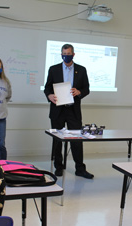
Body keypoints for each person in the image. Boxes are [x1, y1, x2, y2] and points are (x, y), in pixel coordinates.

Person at [44, 44, 93, 179]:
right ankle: (58, 167)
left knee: (77, 139)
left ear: (73, 54)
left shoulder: (81, 70)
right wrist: (49, 96)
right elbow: (47, 88)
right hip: (57, 109)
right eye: (64, 53)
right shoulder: (53, 69)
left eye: (68, 53)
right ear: (61, 54)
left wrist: (79, 92)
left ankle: (80, 168)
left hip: (73, 110)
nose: (66, 55)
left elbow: (87, 88)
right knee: (58, 140)